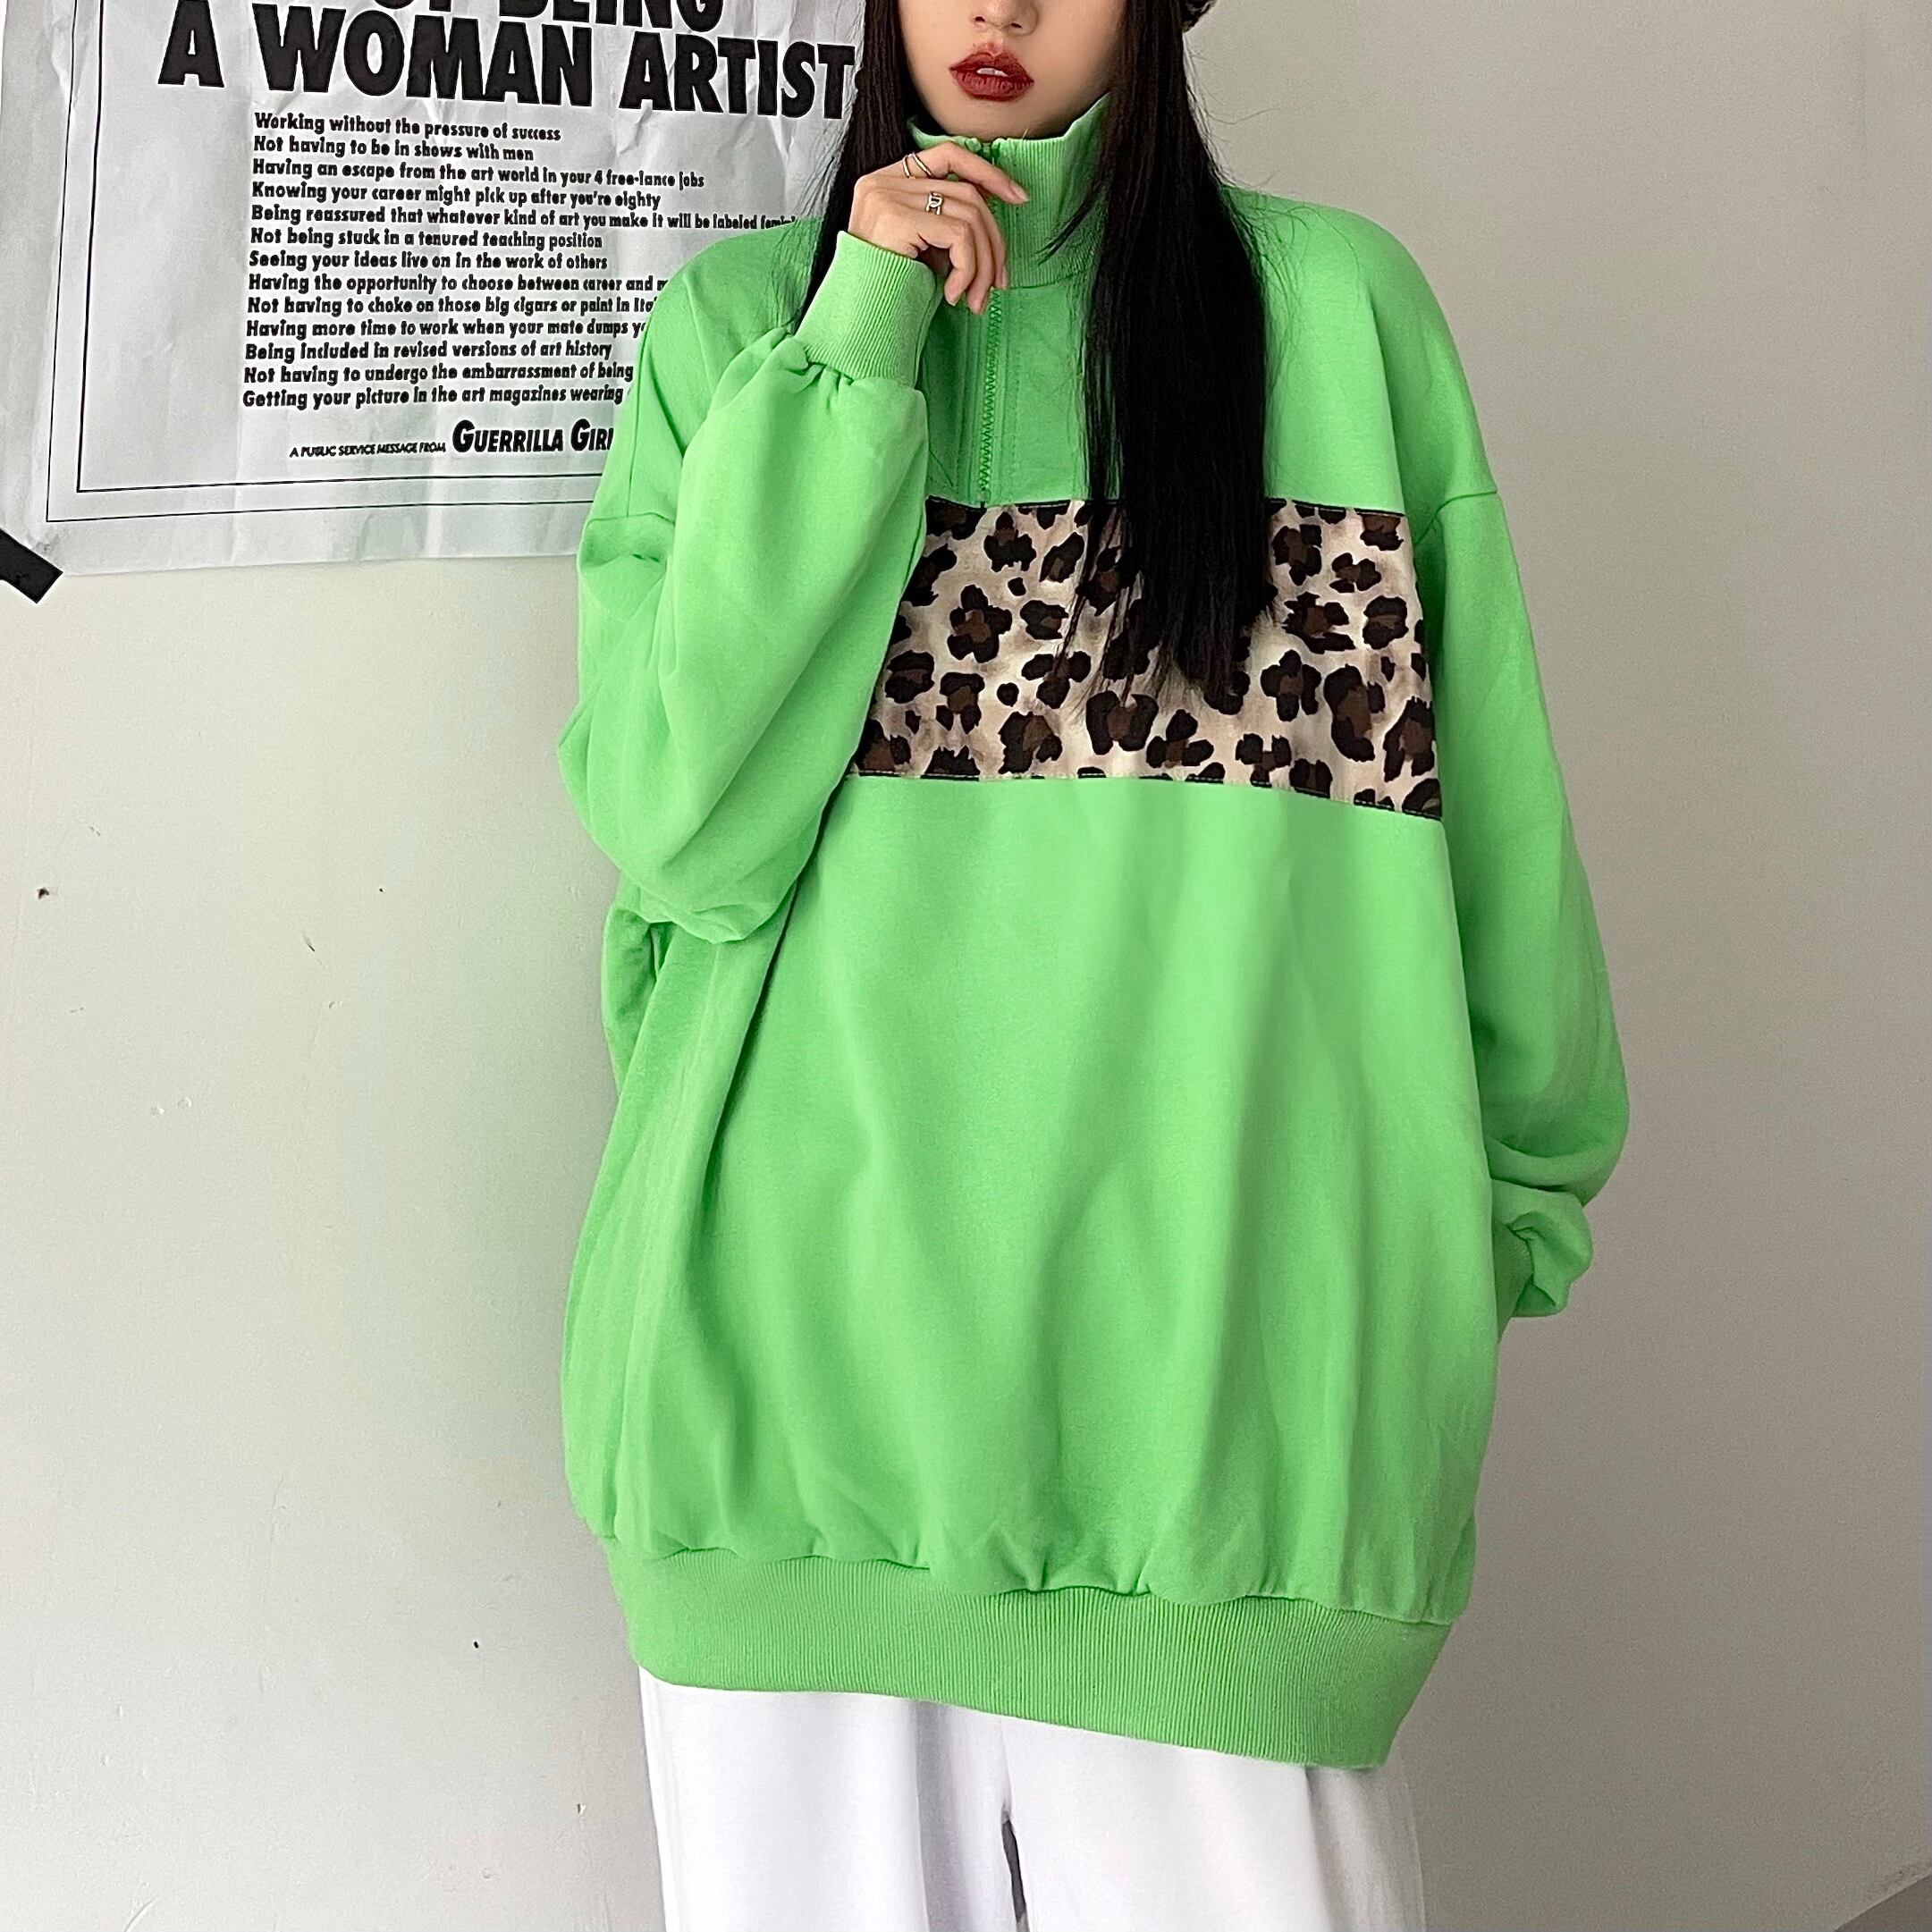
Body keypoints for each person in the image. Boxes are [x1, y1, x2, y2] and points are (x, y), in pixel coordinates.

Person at [555, 0, 1631, 1925]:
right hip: (786, 1400)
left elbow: (1490, 811)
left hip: (1220, 1436)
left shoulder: (1335, 318)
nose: (998, 8)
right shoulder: (745, 333)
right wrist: (856, 346)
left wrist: (1494, 1218)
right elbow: (679, 829)